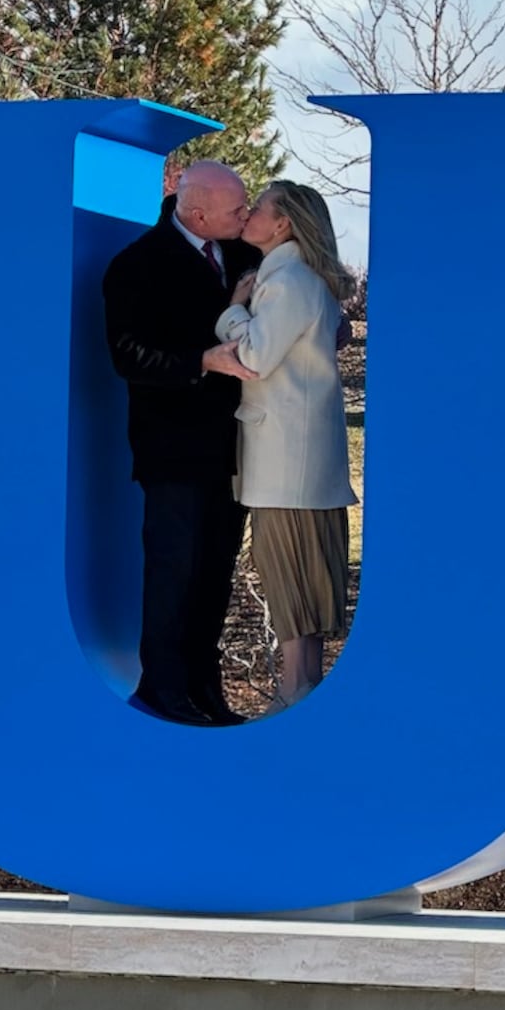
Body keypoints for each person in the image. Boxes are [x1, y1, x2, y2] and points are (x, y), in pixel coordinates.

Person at [102, 160, 259, 728]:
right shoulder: (136, 266)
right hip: (172, 450)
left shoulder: (244, 255)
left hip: (237, 447)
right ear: (196, 213)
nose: (246, 215)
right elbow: (128, 356)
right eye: (237, 208)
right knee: (174, 571)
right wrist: (201, 361)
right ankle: (162, 690)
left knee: (216, 570)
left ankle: (203, 689)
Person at [215, 180, 357, 714]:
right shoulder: (302, 278)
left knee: (291, 579)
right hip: (300, 462)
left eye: (260, 208)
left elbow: (252, 357)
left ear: (283, 224)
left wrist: (232, 310)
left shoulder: (285, 281)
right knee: (304, 580)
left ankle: (296, 692)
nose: (249, 213)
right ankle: (300, 689)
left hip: (286, 466)